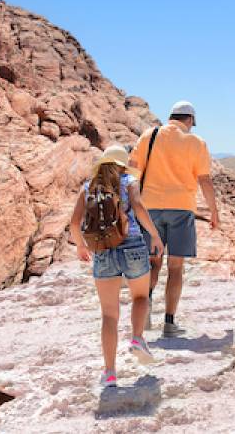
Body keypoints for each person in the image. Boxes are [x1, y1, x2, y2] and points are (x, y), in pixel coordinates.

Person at [69, 144, 164, 388]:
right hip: (132, 244)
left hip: (102, 250)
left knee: (109, 314)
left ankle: (110, 373)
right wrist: (154, 235)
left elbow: (74, 223)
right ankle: (137, 338)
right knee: (141, 296)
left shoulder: (88, 188)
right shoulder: (128, 181)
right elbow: (139, 208)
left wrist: (81, 246)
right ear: (121, 165)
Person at [130, 100, 219, 338]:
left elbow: (132, 170)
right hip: (181, 209)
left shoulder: (149, 135)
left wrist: (131, 202)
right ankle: (169, 323)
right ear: (189, 120)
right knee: (176, 267)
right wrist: (214, 212)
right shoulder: (195, 142)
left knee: (153, 262)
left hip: (150, 210)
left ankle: (145, 312)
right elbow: (205, 181)